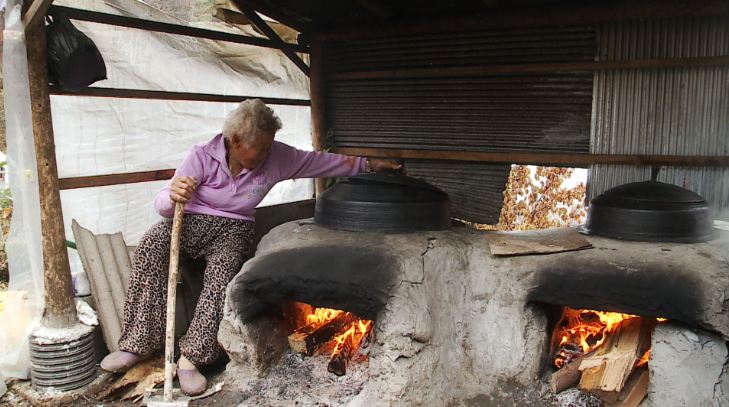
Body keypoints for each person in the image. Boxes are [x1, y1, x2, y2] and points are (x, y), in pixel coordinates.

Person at [99, 99, 401, 395]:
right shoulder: (202, 156)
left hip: (234, 226)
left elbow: (320, 162)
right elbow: (164, 206)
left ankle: (192, 358)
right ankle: (137, 343)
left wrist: (369, 164)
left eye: (270, 144)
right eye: (261, 147)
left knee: (224, 270)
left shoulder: (277, 157)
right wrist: (173, 196)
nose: (268, 152)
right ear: (235, 141)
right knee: (151, 245)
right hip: (190, 219)